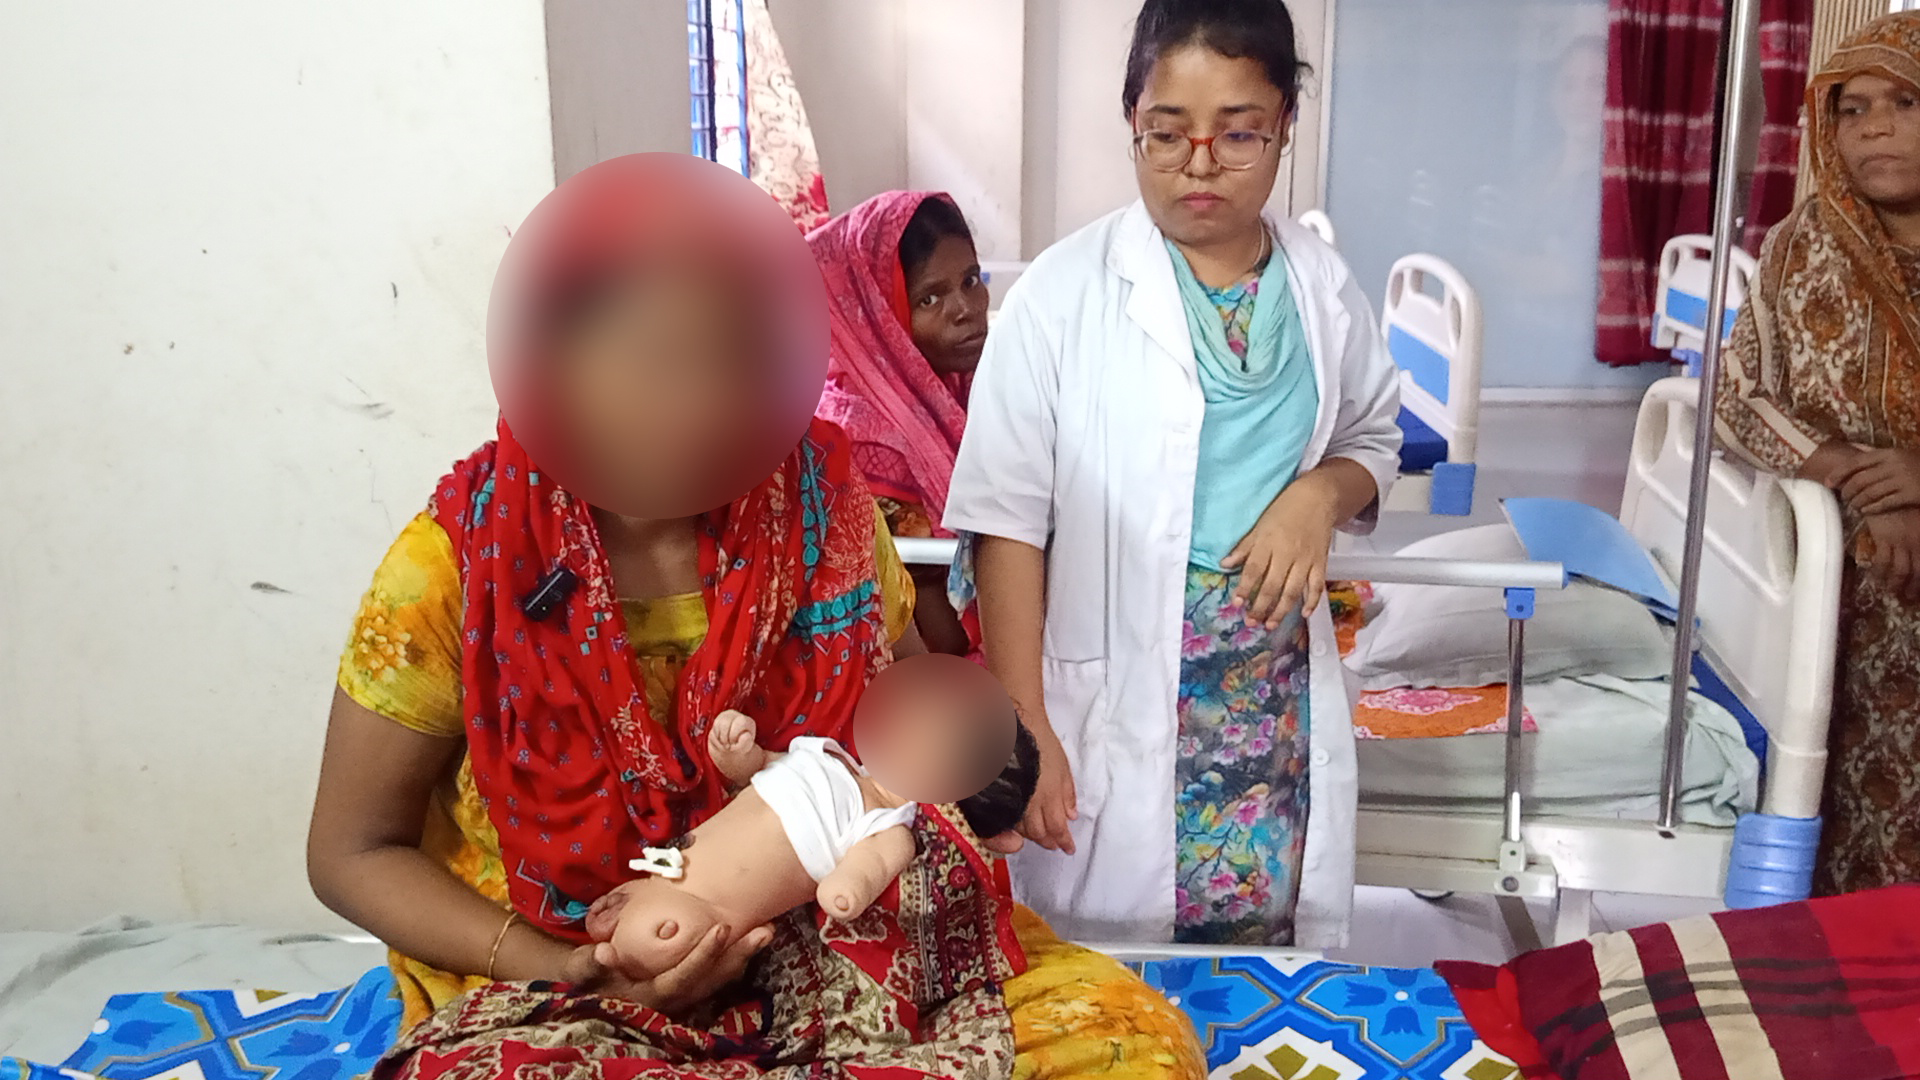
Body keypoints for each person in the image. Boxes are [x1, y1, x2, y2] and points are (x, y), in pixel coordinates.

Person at [308, 154, 1203, 1079]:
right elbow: (352, 851)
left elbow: (906, 725)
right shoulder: (461, 563)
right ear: (557, 363)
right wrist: (570, 969)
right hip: (565, 978)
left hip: (838, 947)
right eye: (657, 361)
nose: (702, 403)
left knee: (1133, 1046)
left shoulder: (827, 514)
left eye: (733, 358)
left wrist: (972, 791)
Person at [944, 0, 1402, 948]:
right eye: (1167, 133)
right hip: (1109, 684)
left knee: (1259, 957)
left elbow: (1373, 435)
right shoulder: (1061, 297)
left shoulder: (1322, 287)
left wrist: (1320, 496)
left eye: (1237, 134)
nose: (1200, 164)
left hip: (1268, 699)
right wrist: (1027, 726)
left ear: (1284, 126)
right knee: (1104, 974)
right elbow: (1005, 520)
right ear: (1132, 122)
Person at [1714, 12, 1920, 896]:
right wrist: (1858, 479)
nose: (1875, 127)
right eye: (1852, 107)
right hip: (1837, 591)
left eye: (1906, 102)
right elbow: (1735, 398)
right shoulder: (1801, 246)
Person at [811, 192, 988, 657]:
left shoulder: (967, 389)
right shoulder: (861, 439)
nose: (965, 309)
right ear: (878, 314)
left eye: (971, 280)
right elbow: (937, 633)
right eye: (930, 298)